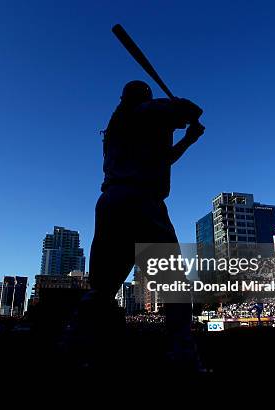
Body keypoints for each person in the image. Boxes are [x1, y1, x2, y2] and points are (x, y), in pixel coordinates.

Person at [68, 80, 205, 371]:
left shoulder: (120, 124)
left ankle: (74, 348)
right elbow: (190, 109)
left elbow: (162, 159)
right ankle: (182, 354)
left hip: (111, 202)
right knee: (175, 284)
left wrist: (189, 139)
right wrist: (186, 114)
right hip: (142, 200)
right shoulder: (143, 111)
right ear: (143, 97)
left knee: (102, 288)